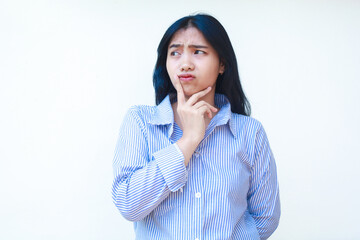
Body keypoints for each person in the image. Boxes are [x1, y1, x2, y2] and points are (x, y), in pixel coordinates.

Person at [112, 13, 280, 239]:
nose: (185, 64)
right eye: (175, 53)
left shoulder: (250, 133)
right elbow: (128, 204)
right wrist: (187, 141)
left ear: (222, 64)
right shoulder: (141, 122)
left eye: (198, 51)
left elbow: (266, 217)